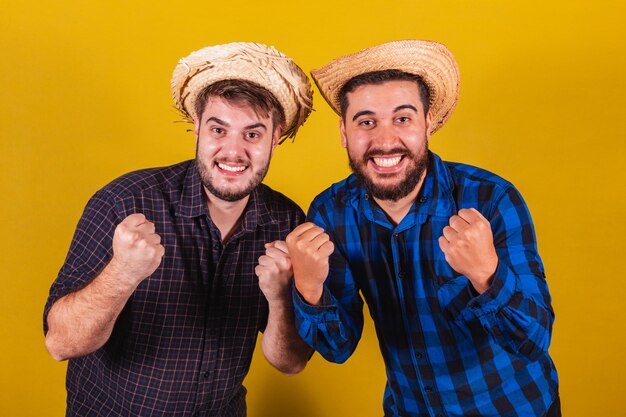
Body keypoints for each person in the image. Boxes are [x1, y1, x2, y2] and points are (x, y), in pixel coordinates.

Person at [286, 40, 560, 417]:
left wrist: (486, 274)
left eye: (403, 119)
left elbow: (533, 341)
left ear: (428, 122)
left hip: (514, 407)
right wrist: (310, 289)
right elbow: (337, 348)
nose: (384, 141)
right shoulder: (330, 213)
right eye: (366, 122)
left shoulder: (491, 198)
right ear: (344, 132)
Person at [43, 42, 313, 417]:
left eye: (252, 134)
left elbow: (291, 362)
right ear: (197, 127)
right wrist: (123, 272)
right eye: (219, 129)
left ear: (276, 135)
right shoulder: (124, 201)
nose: (233, 152)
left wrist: (279, 298)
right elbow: (61, 343)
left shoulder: (287, 222)